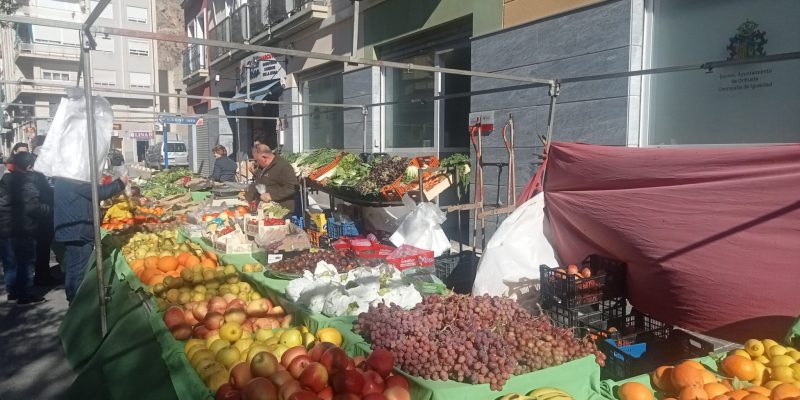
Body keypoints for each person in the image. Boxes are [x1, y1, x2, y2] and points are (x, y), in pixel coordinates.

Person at [54, 175, 128, 303]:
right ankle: (76, 300)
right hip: (78, 228)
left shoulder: (65, 178)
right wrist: (121, 182)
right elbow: (99, 193)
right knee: (79, 266)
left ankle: (74, 296)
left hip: (73, 226)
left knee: (74, 264)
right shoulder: (74, 178)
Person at [0, 153, 51, 305]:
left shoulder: (5, 180)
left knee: (10, 262)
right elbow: (33, 207)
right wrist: (49, 209)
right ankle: (25, 294)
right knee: (25, 263)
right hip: (22, 228)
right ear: (29, 167)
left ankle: (13, 292)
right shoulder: (26, 183)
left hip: (4, 227)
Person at [245, 144, 298, 214]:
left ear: (264, 157)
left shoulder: (283, 166)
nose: (256, 162)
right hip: (264, 210)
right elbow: (258, 185)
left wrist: (271, 195)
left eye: (257, 160)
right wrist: (247, 199)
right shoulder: (262, 167)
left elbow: (292, 187)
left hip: (280, 212)